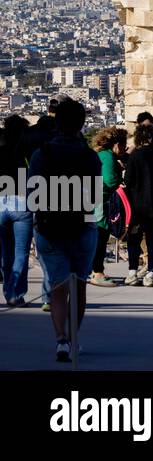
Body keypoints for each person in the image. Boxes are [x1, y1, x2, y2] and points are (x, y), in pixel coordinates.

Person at [28, 98, 101, 361]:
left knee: (58, 286)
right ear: (82, 123)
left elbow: (33, 195)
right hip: (81, 224)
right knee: (79, 285)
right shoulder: (89, 155)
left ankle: (60, 340)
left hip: (49, 225)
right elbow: (94, 196)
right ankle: (73, 338)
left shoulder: (42, 154)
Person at [122, 122, 153, 286]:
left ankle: (132, 272)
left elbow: (127, 181)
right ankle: (150, 274)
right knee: (152, 241)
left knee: (134, 240)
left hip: (136, 206)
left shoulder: (135, 156)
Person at [0, 114, 37, 306]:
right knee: (21, 252)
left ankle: (8, 291)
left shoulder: (1, 151)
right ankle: (15, 293)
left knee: (6, 253)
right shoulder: (26, 153)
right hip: (21, 204)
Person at [88, 126, 125, 288]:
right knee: (101, 235)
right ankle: (97, 272)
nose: (123, 149)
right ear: (116, 144)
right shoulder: (108, 157)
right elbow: (110, 180)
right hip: (101, 200)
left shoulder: (100, 154)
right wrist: (121, 178)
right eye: (122, 146)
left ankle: (94, 269)